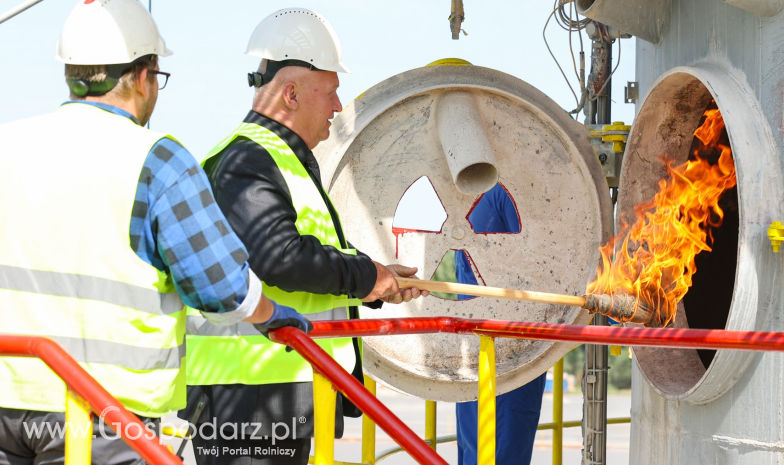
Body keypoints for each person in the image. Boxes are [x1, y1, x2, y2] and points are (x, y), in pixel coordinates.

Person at [0, 1, 310, 464]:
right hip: (102, 411)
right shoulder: (156, 158)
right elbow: (221, 287)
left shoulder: (9, 145)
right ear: (145, 77)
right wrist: (270, 314)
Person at [179, 8, 426, 464]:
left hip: (271, 388)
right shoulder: (246, 160)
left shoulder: (276, 158)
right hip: (249, 396)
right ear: (291, 94)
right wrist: (365, 275)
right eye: (331, 92)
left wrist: (377, 279)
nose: (337, 106)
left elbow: (302, 252)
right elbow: (280, 258)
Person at [454, 184, 547, 465]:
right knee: (503, 450)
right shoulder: (511, 192)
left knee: (476, 449)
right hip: (508, 356)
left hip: (475, 353)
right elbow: (549, 265)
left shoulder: (475, 199)